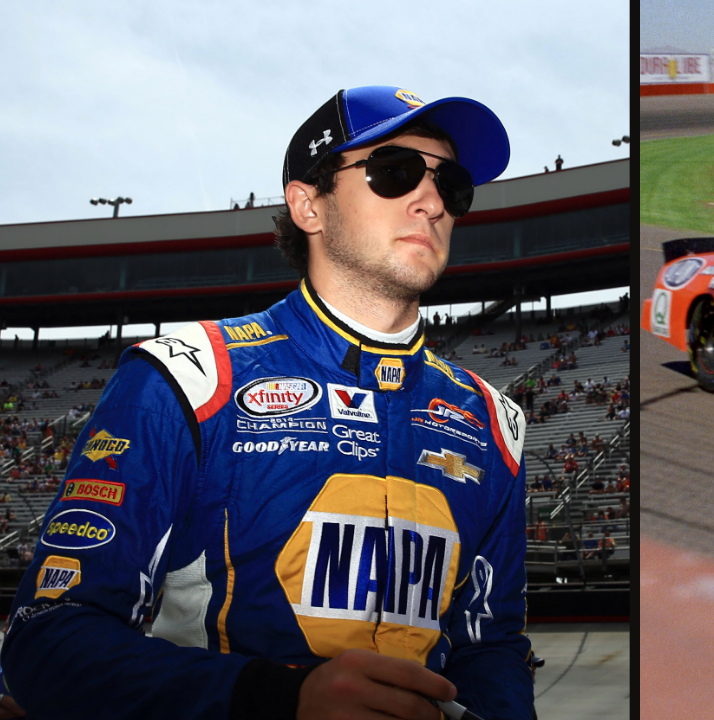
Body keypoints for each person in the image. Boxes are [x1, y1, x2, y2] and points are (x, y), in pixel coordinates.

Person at [2, 86, 534, 720]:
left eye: (453, 185)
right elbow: (47, 641)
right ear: (309, 205)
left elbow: (490, 648)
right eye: (395, 172)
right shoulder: (186, 378)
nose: (431, 201)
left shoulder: (494, 421)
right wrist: (280, 700)